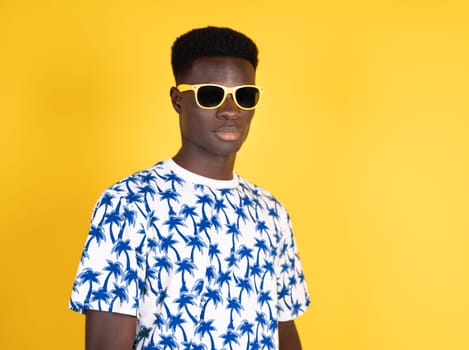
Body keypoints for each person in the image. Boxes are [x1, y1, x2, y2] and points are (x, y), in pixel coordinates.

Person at [69, 26, 310, 350]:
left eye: (244, 95)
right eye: (211, 94)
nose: (230, 109)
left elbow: (284, 332)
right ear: (178, 99)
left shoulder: (270, 212)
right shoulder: (128, 203)